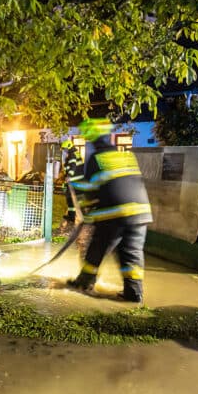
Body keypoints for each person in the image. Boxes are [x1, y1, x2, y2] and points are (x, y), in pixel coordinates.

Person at [67, 118, 153, 303]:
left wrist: (87, 210)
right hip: (141, 214)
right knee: (131, 253)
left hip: (113, 214)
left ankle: (84, 283)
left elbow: (90, 190)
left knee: (96, 249)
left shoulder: (96, 159)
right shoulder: (126, 155)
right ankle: (133, 293)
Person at [60, 139, 84, 227]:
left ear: (69, 147)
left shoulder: (72, 155)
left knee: (71, 199)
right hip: (77, 181)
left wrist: (69, 176)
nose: (64, 151)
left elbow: (73, 166)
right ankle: (72, 216)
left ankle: (72, 217)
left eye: (65, 149)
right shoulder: (75, 153)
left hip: (74, 180)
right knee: (72, 199)